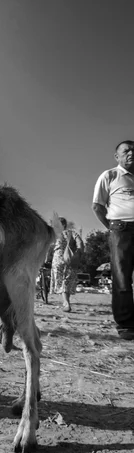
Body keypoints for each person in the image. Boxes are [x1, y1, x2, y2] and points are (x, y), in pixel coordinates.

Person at [92, 140, 134, 340]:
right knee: (122, 278)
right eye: (126, 151)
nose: (131, 153)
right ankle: (126, 324)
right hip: (121, 229)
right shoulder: (110, 175)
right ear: (117, 156)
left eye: (133, 150)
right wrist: (111, 227)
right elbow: (97, 206)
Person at [50, 217, 84, 312]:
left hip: (58, 259)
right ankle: (66, 302)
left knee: (61, 282)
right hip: (70, 258)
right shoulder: (72, 233)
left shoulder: (55, 235)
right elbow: (80, 243)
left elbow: (46, 247)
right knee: (67, 281)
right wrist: (79, 253)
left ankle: (66, 303)